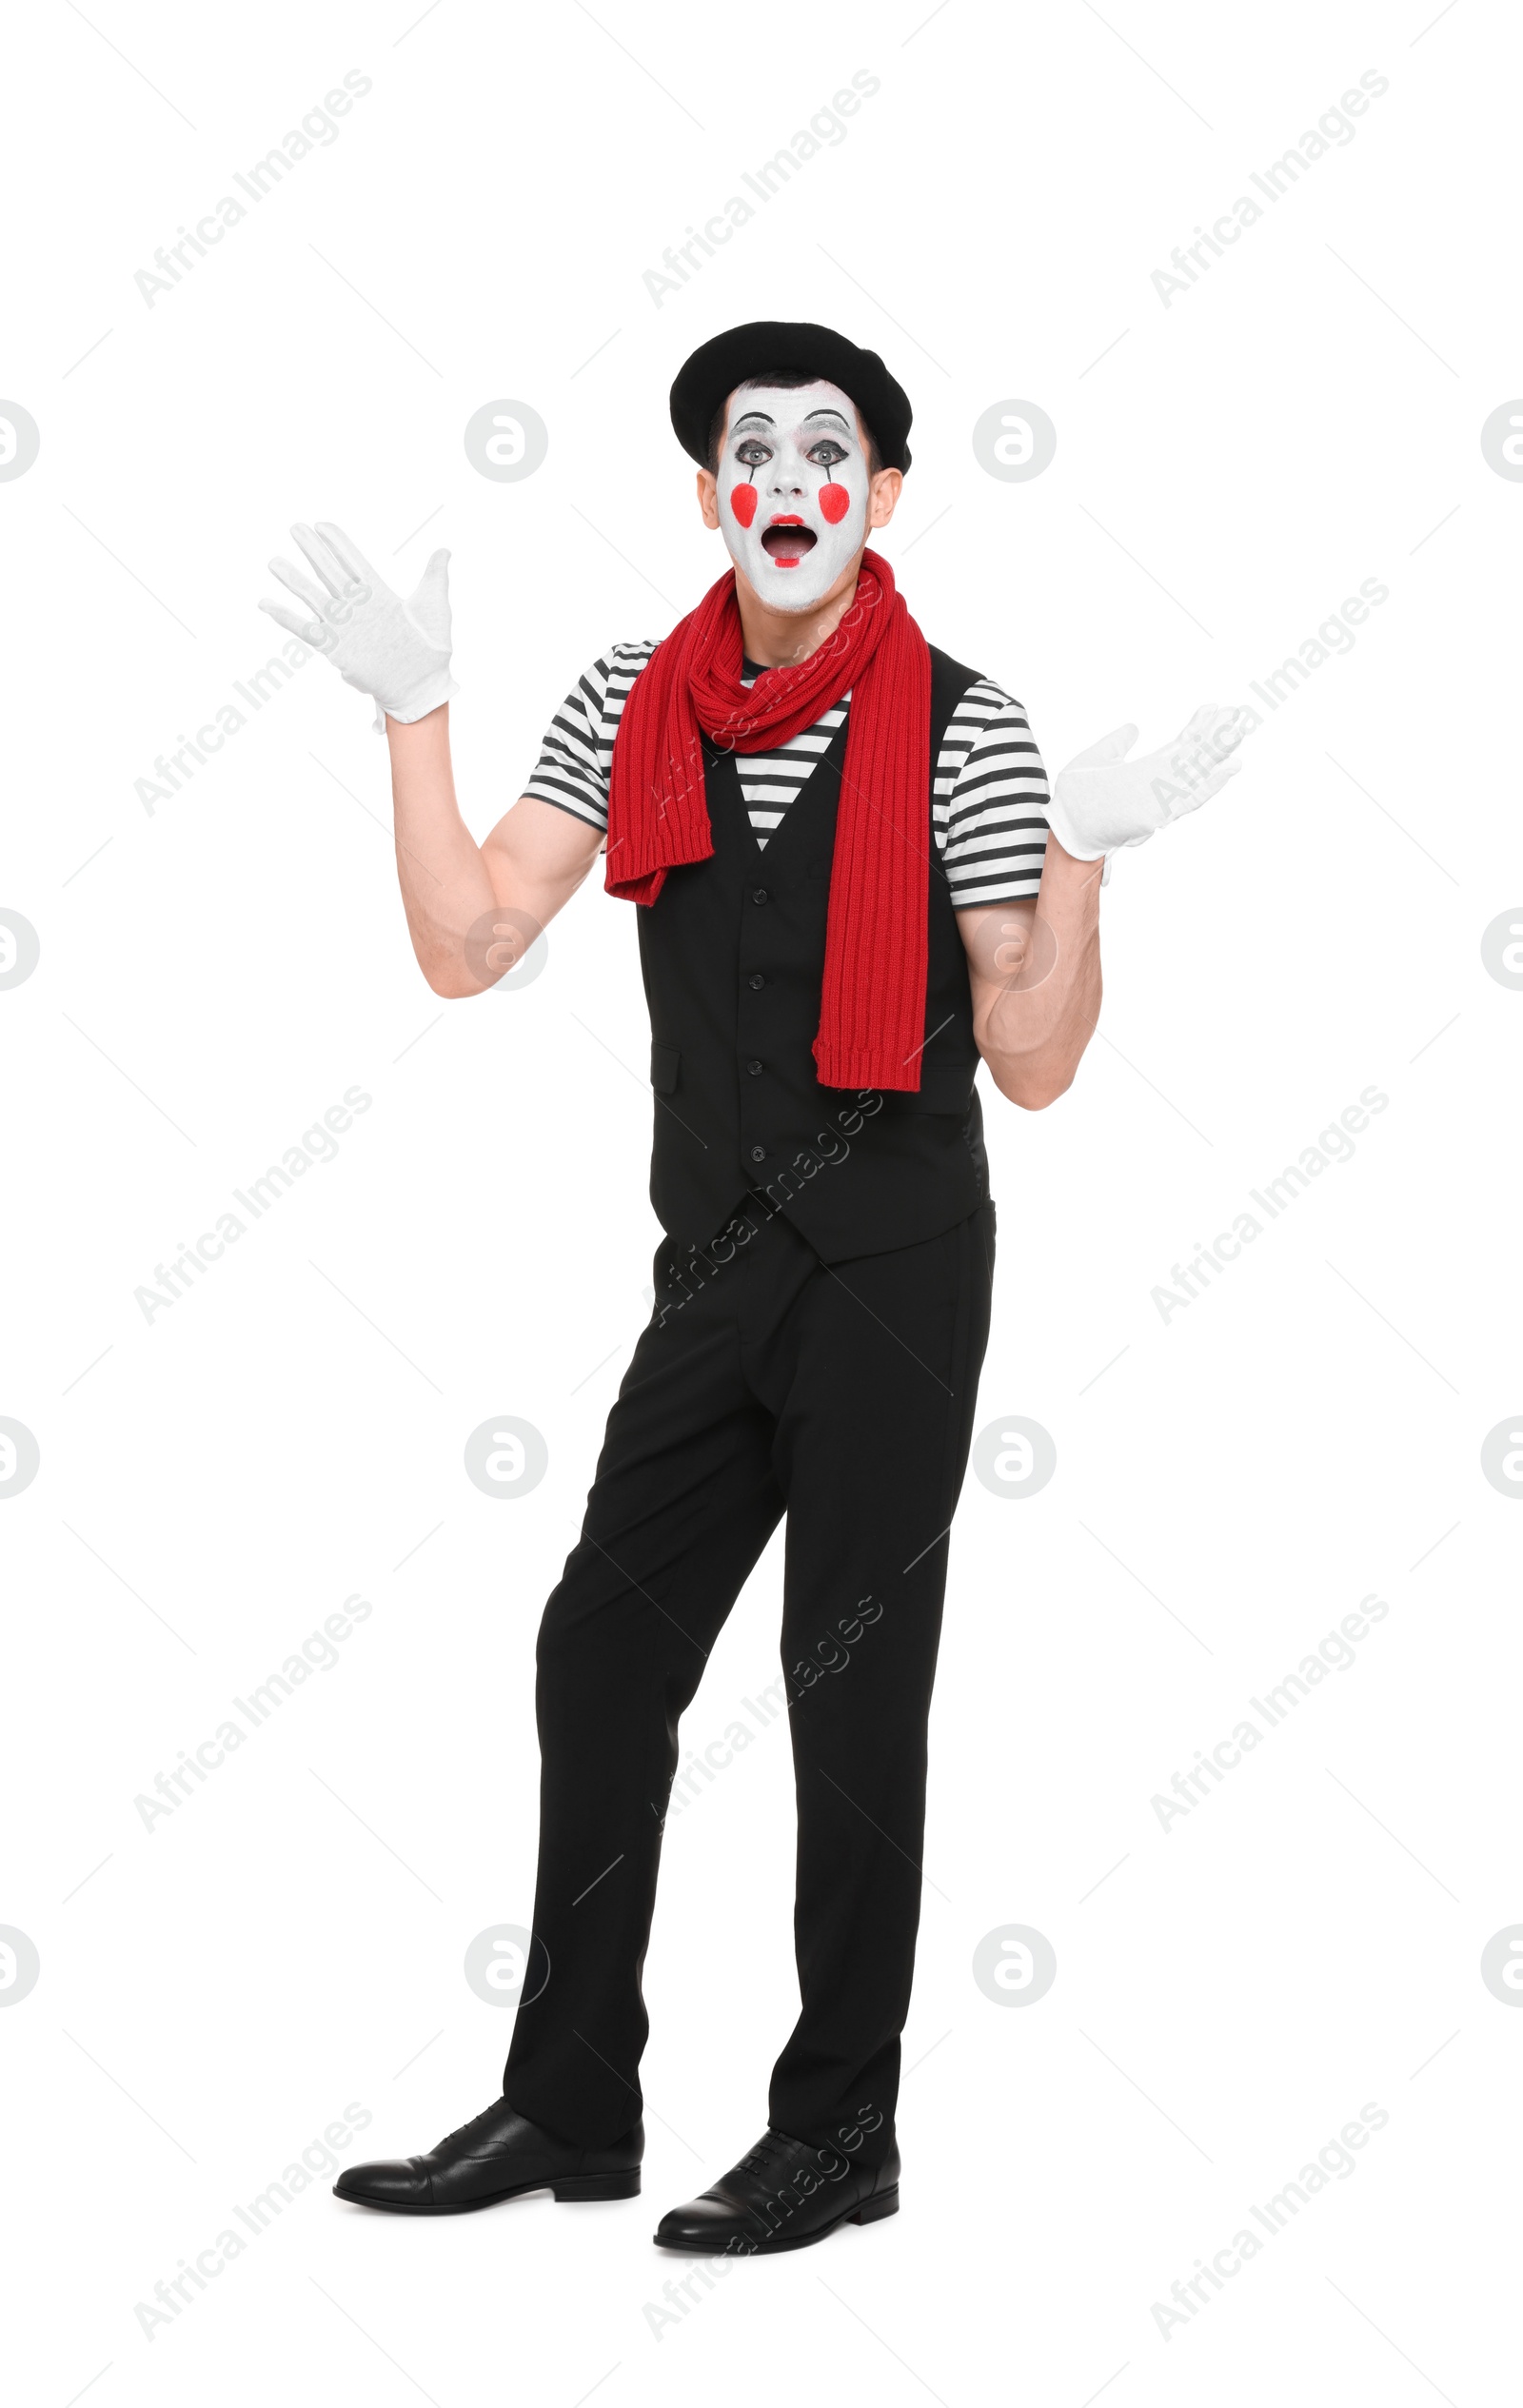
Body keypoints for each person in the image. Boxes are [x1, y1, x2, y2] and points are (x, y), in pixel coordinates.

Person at [257, 320, 1245, 2254]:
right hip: (707, 1267)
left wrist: (1079, 861)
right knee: (599, 1650)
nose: (782, 478)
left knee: (848, 1690)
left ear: (876, 494)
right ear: (709, 491)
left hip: (891, 1266)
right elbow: (470, 940)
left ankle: (837, 2128)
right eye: (743, 446)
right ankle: (566, 2102)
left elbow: (1029, 1063)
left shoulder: (965, 725)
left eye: (822, 450)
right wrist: (411, 714)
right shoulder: (630, 698)